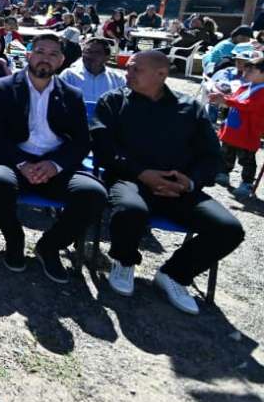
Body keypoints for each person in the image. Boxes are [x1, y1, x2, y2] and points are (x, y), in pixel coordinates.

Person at [92, 51, 244, 315]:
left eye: (136, 69)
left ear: (161, 74)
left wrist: (190, 182)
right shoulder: (114, 101)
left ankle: (174, 274)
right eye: (128, 68)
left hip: (177, 187)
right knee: (130, 210)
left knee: (228, 228)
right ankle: (124, 261)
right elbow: (104, 148)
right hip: (130, 179)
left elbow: (211, 156)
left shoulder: (189, 108)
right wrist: (142, 173)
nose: (127, 74)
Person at [0, 33, 106, 283]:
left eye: (52, 54)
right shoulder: (3, 88)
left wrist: (55, 165)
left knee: (93, 194)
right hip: (14, 162)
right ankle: (14, 239)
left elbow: (82, 141)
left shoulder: (72, 95)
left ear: (61, 61)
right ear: (28, 55)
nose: (45, 58)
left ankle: (50, 246)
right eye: (39, 52)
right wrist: (22, 163)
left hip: (55, 166)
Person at [208, 54, 264, 197]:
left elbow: (249, 105)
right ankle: (223, 173)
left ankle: (247, 183)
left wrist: (226, 101)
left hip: (247, 132)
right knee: (226, 152)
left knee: (247, 159)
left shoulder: (262, 92)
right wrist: (222, 98)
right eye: (246, 68)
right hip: (232, 128)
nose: (245, 71)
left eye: (251, 70)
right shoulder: (245, 87)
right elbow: (234, 99)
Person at [59, 38, 126, 103]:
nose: (91, 56)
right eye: (88, 51)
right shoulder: (69, 75)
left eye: (97, 52)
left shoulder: (117, 79)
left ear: (107, 57)